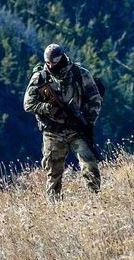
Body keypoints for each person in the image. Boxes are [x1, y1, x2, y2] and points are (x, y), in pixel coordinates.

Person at [23, 43, 103, 198]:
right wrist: (49, 108)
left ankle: (96, 198)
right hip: (53, 130)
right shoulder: (40, 77)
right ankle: (54, 206)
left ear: (61, 58)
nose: (51, 65)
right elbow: (28, 104)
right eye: (48, 63)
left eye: (54, 62)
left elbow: (95, 99)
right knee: (53, 170)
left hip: (77, 128)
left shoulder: (80, 74)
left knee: (89, 162)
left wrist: (88, 121)